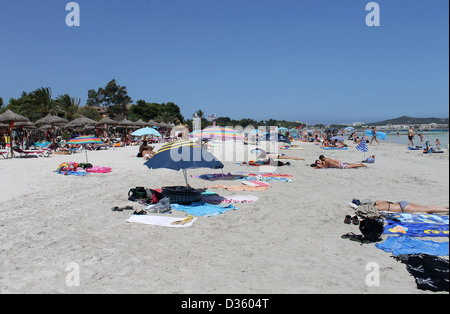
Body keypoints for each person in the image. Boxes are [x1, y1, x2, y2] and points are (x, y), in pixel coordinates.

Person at [373, 200, 449, 214]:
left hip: (404, 208)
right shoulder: (378, 201)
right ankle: (445, 207)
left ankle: (446, 210)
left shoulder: (378, 207)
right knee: (424, 207)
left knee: (427, 210)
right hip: (401, 203)